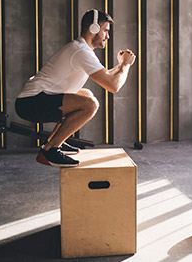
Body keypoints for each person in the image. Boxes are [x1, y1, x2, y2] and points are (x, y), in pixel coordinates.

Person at [15, 9, 136, 167]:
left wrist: (120, 65)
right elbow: (113, 85)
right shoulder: (81, 51)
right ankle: (51, 150)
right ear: (93, 29)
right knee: (90, 104)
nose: (108, 36)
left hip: (35, 100)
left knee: (86, 94)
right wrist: (125, 65)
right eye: (105, 31)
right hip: (31, 103)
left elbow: (106, 75)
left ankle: (54, 141)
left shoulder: (82, 49)